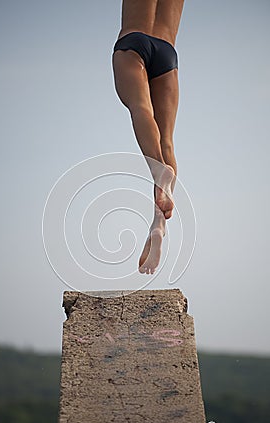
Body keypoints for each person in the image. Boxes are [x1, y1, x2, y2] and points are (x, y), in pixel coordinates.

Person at [112, 0, 184, 275]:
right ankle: (159, 225)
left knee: (141, 109)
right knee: (167, 140)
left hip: (133, 41)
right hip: (168, 53)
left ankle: (157, 172)